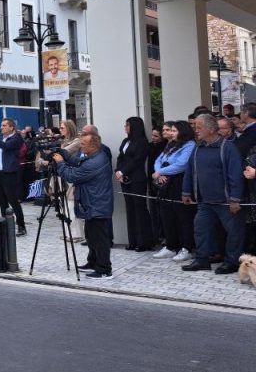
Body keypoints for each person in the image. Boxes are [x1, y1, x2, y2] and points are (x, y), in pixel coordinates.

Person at [182, 114, 245, 274]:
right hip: (205, 201)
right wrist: (186, 191)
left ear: (210, 129)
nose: (196, 131)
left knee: (234, 232)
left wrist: (235, 199)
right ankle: (202, 260)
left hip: (226, 202)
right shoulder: (198, 147)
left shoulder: (228, 148)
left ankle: (232, 262)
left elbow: (235, 174)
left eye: (199, 127)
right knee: (200, 229)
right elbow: (189, 171)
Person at [54, 133, 114, 278]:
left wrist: (61, 163)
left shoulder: (96, 161)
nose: (80, 147)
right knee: (91, 236)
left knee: (100, 239)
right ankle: (93, 262)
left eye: (83, 144)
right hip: (93, 202)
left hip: (97, 204)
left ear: (93, 145)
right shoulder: (94, 156)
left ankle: (104, 269)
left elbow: (72, 176)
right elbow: (78, 163)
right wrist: (63, 154)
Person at [151, 121, 198, 262]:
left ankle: (186, 248)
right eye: (170, 130)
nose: (171, 133)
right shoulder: (171, 144)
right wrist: (160, 172)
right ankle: (170, 246)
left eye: (174, 131)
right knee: (167, 215)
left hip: (180, 183)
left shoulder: (190, 145)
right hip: (166, 184)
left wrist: (161, 171)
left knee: (183, 217)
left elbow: (182, 165)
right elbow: (158, 160)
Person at [117, 116, 156, 252]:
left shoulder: (142, 142)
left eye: (127, 125)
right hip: (125, 178)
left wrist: (124, 171)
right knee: (130, 208)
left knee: (139, 208)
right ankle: (133, 240)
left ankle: (144, 241)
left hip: (137, 178)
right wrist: (118, 171)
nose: (125, 127)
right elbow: (120, 157)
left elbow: (137, 160)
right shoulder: (125, 141)